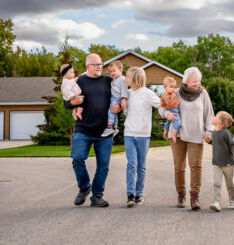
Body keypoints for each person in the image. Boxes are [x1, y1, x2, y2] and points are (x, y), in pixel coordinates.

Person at [64, 53, 121, 208]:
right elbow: (66, 101)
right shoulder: (79, 81)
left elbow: (120, 98)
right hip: (83, 129)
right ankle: (84, 188)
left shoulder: (109, 81)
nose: (99, 67)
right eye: (95, 64)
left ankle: (97, 196)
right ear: (87, 66)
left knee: (103, 165)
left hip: (104, 131)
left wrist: (120, 107)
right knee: (77, 158)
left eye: (100, 64)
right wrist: (71, 103)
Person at [160, 67, 214, 210]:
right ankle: (181, 195)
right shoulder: (176, 92)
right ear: (186, 81)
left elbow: (209, 115)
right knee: (179, 167)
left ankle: (194, 197)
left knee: (196, 166)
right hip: (177, 135)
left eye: (198, 81)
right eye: (194, 82)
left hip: (196, 135)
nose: (197, 84)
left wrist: (209, 131)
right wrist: (167, 115)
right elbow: (162, 107)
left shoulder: (203, 94)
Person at [124, 67, 163, 207]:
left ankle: (139, 193)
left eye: (127, 76)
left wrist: (168, 114)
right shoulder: (126, 94)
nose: (125, 78)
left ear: (134, 78)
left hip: (143, 135)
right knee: (131, 164)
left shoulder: (148, 94)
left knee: (141, 166)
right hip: (129, 133)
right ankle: (130, 194)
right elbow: (125, 112)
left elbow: (161, 105)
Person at [206, 111, 234, 212]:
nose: (213, 117)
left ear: (219, 122)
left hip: (228, 163)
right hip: (216, 163)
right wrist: (209, 141)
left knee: (229, 183)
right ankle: (217, 202)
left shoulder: (226, 133)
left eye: (216, 116)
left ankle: (232, 200)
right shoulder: (214, 132)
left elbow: (231, 145)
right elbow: (215, 143)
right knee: (217, 183)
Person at [101, 61, 128, 137]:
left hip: (118, 98)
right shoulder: (114, 79)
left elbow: (124, 89)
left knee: (111, 110)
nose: (112, 73)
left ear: (120, 70)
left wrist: (124, 98)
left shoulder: (122, 79)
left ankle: (109, 126)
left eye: (114, 71)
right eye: (110, 71)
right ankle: (114, 127)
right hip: (113, 98)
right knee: (114, 113)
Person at [161, 76, 181, 144]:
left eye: (174, 87)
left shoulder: (168, 93)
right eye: (171, 87)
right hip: (173, 110)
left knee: (168, 121)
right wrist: (173, 96)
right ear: (165, 87)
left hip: (171, 110)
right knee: (178, 121)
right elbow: (169, 103)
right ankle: (173, 134)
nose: (173, 89)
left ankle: (165, 131)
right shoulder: (167, 95)